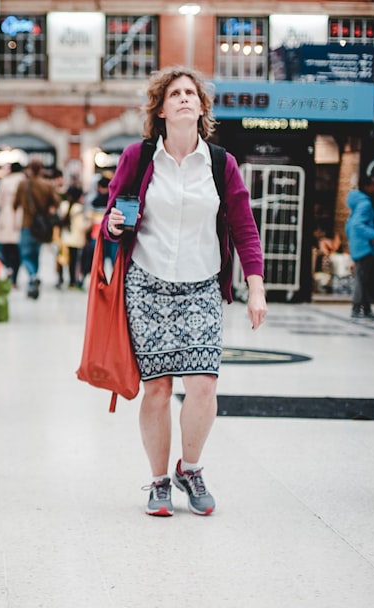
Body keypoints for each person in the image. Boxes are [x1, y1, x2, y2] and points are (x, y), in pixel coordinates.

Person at [103, 66, 267, 517]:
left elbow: (244, 227)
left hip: (201, 286)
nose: (183, 99)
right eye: (174, 94)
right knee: (157, 389)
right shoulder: (139, 158)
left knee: (203, 385)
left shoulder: (220, 163)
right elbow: (112, 217)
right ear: (160, 109)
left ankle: (189, 469)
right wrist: (112, 224)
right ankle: (158, 482)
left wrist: (256, 288)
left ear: (201, 107)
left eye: (190, 93)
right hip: (147, 285)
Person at [14, 158, 58, 299]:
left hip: (27, 224)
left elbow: (15, 203)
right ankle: (34, 279)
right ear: (41, 169)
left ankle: (32, 276)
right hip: (41, 226)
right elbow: (56, 202)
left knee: (25, 255)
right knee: (36, 254)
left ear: (29, 169)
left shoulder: (23, 184)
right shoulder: (48, 185)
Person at [345, 173, 374, 319]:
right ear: (366, 186)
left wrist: (352, 239)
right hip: (364, 246)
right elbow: (356, 224)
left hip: (357, 244)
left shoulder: (357, 202)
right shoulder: (365, 203)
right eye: (373, 185)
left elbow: (349, 225)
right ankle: (357, 307)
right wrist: (373, 235)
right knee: (361, 279)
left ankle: (366, 309)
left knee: (363, 278)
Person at [0, 162, 24, 285]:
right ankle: (15, 277)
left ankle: (9, 270)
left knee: (5, 247)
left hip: (6, 216)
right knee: (18, 249)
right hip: (21, 217)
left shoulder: (5, 182)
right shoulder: (24, 181)